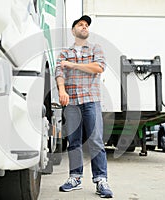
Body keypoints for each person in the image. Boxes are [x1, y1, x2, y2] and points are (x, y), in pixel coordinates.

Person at [55, 15, 113, 198]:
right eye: (80, 25)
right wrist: (62, 91)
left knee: (95, 140)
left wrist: (73, 64)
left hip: (91, 100)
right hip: (71, 102)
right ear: (73, 31)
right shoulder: (65, 51)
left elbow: (98, 68)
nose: (84, 27)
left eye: (87, 25)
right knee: (74, 142)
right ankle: (75, 178)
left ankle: (101, 180)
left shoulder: (96, 48)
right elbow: (59, 71)